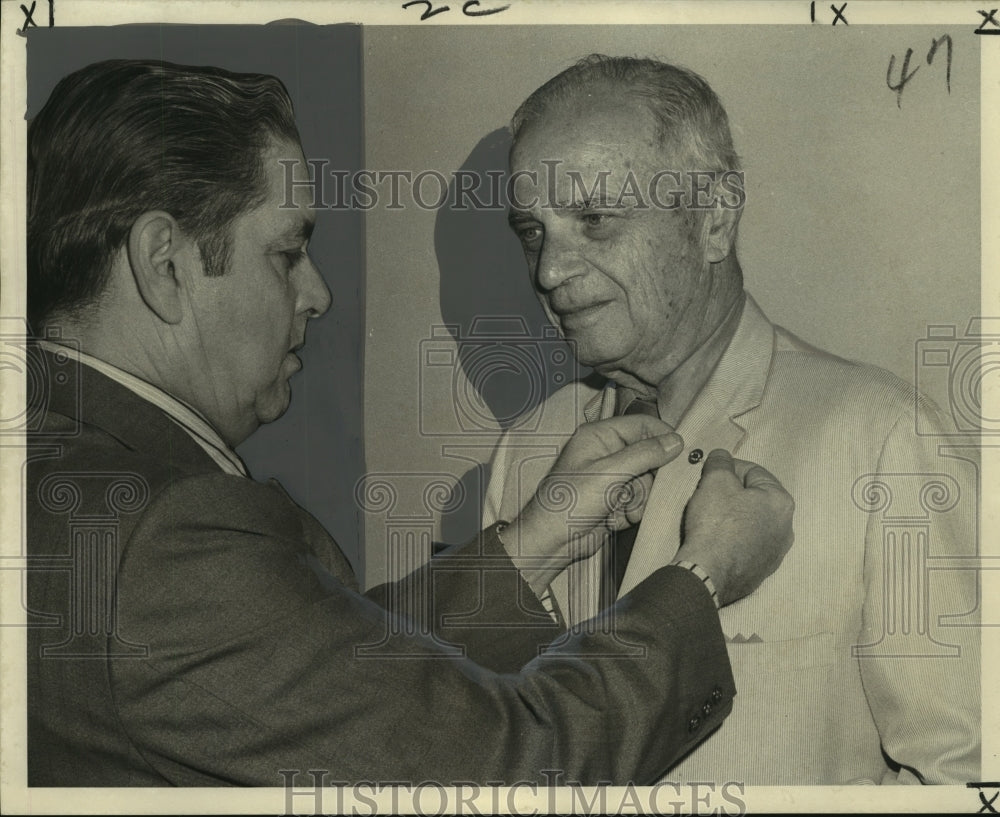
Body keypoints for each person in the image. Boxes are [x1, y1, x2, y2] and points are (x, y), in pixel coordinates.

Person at [24, 59, 794, 787]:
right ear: (164, 265)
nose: (318, 293)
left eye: (595, 217)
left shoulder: (55, 470)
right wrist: (700, 578)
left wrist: (532, 544)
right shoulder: (165, 538)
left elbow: (319, 682)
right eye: (288, 253)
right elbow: (504, 766)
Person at [484, 54, 980, 785]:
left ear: (714, 218)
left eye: (594, 220)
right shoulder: (527, 452)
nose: (549, 272)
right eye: (533, 230)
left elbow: (966, 775)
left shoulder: (880, 440)